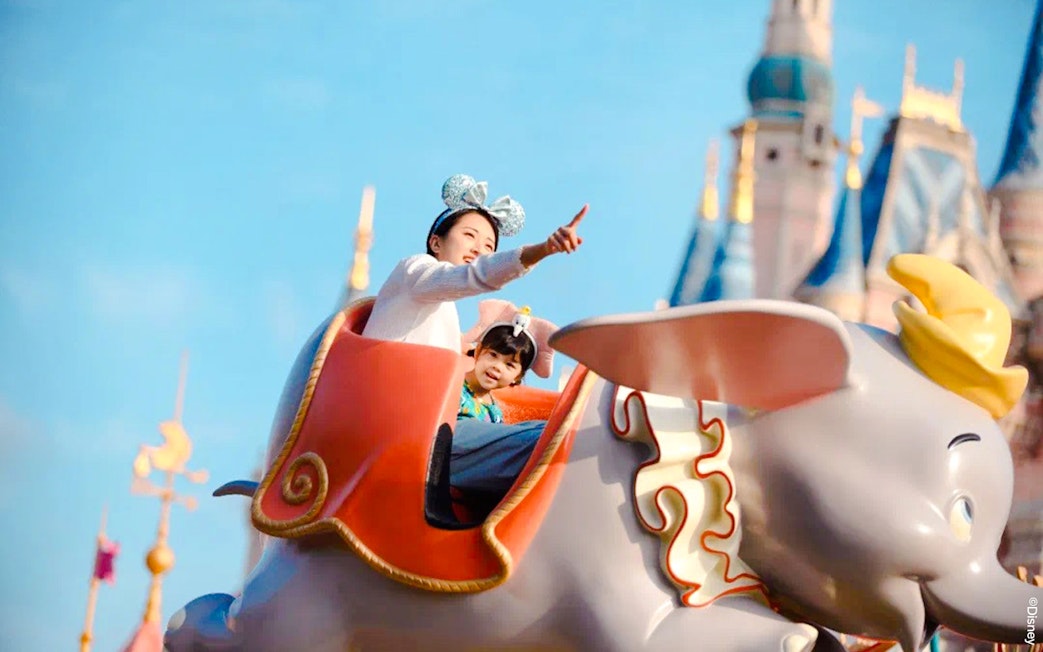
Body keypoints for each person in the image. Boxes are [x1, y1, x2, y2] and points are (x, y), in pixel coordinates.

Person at [361, 173, 586, 508]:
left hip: (435, 435)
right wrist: (541, 251)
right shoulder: (415, 272)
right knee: (560, 439)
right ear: (436, 241)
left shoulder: (444, 316)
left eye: (489, 247)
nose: (479, 251)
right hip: (415, 436)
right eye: (469, 236)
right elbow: (470, 278)